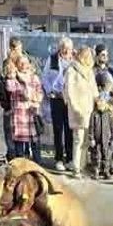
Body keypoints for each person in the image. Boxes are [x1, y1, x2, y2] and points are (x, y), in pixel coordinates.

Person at [63, 46, 98, 179]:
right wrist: (75, 108)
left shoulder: (89, 71)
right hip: (78, 110)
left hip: (89, 109)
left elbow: (94, 89)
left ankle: (82, 166)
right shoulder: (72, 70)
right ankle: (76, 168)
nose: (90, 59)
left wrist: (99, 100)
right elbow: (69, 92)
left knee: (86, 141)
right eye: (88, 57)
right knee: (78, 139)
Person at [43, 37, 75, 172]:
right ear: (60, 48)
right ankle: (59, 158)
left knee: (70, 129)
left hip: (70, 99)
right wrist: (50, 91)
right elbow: (45, 77)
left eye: (68, 48)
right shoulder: (52, 59)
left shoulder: (74, 61)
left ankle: (70, 159)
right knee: (58, 129)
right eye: (63, 48)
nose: (66, 51)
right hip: (56, 98)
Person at [4, 55, 43, 163]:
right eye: (21, 63)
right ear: (16, 65)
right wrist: (12, 75)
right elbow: (9, 88)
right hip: (19, 116)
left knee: (35, 143)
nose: (24, 65)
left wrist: (33, 98)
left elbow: (40, 93)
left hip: (32, 114)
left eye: (25, 63)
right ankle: (20, 166)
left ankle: (37, 165)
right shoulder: (13, 78)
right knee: (19, 146)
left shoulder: (34, 77)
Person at [89, 72, 113, 180]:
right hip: (97, 138)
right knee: (96, 155)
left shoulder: (109, 113)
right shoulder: (94, 114)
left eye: (103, 101)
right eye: (99, 101)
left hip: (107, 137)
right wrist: (91, 138)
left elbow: (112, 127)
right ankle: (96, 170)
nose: (101, 103)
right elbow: (91, 127)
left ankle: (106, 170)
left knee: (107, 154)